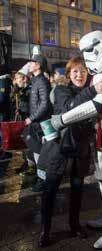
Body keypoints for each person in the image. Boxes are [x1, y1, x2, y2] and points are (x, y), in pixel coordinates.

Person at [51, 31, 102, 249]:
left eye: (88, 50)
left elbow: (96, 105)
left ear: (99, 46)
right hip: (100, 131)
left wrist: (62, 120)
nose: (86, 57)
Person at [37, 56, 102, 247]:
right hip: (59, 149)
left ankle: (74, 225)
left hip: (80, 149)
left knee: (77, 190)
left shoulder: (92, 94)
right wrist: (94, 90)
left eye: (83, 71)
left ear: (88, 74)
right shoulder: (63, 90)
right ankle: (45, 230)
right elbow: (71, 106)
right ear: (69, 74)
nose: (79, 75)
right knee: (50, 190)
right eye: (75, 71)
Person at [24, 54, 52, 191]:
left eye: (31, 62)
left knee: (39, 154)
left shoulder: (41, 81)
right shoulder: (36, 80)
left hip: (40, 124)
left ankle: (43, 181)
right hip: (36, 123)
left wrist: (32, 117)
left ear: (38, 65)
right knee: (33, 151)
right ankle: (39, 177)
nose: (29, 64)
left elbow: (45, 104)